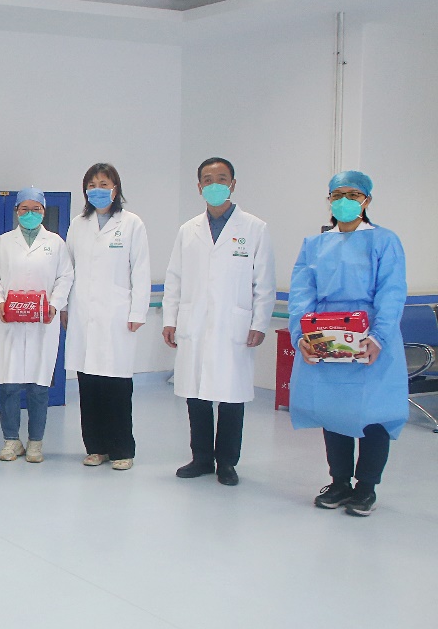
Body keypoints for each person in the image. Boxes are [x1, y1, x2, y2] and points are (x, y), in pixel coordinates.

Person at [289, 170, 407, 517]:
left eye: (353, 195)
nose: (345, 201)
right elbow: (301, 293)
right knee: (334, 409)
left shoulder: (384, 241)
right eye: (337, 195)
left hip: (371, 336)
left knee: (374, 412)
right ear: (329, 200)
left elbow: (392, 291)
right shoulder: (315, 245)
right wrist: (302, 336)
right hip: (326, 334)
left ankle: (366, 487)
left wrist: (378, 336)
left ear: (366, 200)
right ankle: (339, 481)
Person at [162, 158, 275, 486]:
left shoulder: (254, 228)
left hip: (233, 325)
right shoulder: (188, 230)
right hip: (194, 323)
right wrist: (170, 319)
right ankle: (201, 458)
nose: (215, 185)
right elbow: (174, 278)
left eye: (221, 179)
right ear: (199, 187)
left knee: (231, 396)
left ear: (233, 184)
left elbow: (264, 282)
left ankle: (227, 462)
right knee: (195, 394)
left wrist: (259, 323)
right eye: (208, 180)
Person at [64, 162, 151, 471]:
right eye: (92, 185)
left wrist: (138, 311)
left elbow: (140, 270)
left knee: (116, 387)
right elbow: (67, 269)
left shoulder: (131, 224)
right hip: (83, 314)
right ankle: (96, 447)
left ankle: (122, 448)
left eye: (104, 184)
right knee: (88, 386)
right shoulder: (78, 224)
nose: (97, 190)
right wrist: (64, 307)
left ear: (116, 189)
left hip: (117, 316)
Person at [0, 187, 74, 464]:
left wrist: (55, 304)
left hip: (42, 322)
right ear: (16, 211)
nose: (29, 214)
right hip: (8, 323)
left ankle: (36, 442)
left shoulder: (56, 243)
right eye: (24, 209)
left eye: (35, 209)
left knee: (39, 385)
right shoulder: (2, 242)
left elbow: (65, 277)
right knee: (9, 384)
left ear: (43, 211)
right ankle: (11, 441)